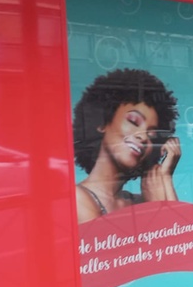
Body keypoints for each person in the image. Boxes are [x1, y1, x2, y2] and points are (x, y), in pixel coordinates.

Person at [73, 68, 181, 223]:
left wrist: (166, 178)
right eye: (133, 121)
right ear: (102, 123)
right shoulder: (78, 199)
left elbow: (181, 238)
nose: (143, 136)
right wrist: (156, 207)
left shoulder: (137, 201)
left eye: (152, 135)